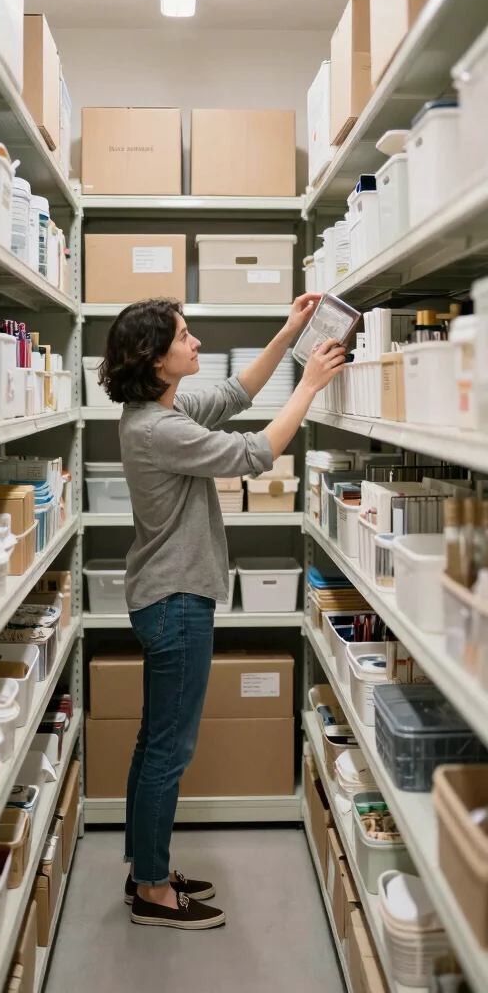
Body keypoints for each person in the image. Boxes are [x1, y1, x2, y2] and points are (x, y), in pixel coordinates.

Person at [99, 293, 346, 931]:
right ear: (155, 360)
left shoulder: (160, 409)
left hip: (166, 598)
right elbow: (255, 456)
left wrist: (291, 333)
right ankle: (152, 892)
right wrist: (311, 385)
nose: (196, 343)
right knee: (169, 752)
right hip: (177, 604)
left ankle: (144, 867)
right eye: (184, 337)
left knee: (155, 744)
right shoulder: (162, 429)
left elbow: (237, 392)